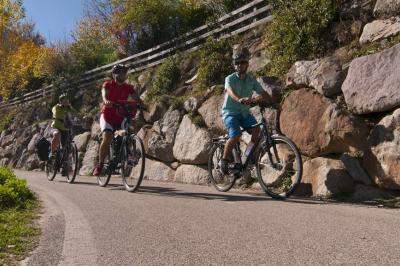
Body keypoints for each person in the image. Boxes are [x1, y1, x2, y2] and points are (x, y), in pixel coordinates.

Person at [219, 47, 271, 175]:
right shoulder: (229, 79)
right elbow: (230, 92)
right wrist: (240, 99)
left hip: (244, 113)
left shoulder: (251, 80)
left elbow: (263, 92)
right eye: (237, 63)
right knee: (236, 135)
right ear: (234, 66)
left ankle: (246, 156)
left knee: (256, 131)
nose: (240, 65)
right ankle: (224, 161)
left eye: (242, 62)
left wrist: (273, 102)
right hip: (230, 113)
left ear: (247, 64)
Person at [93, 64, 141, 176]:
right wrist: (106, 100)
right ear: (115, 74)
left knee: (130, 130)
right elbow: (104, 93)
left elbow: (136, 97)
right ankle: (100, 165)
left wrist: (142, 105)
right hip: (107, 116)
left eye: (125, 72)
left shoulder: (128, 87)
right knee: (108, 136)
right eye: (121, 72)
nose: (124, 74)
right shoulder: (108, 84)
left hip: (120, 116)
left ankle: (128, 154)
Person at [49, 93, 77, 161]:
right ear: (60, 101)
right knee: (57, 134)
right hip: (55, 127)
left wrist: (71, 108)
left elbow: (76, 113)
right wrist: (62, 116)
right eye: (64, 101)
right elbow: (55, 112)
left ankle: (65, 164)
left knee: (66, 146)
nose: (66, 102)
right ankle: (52, 153)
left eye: (67, 101)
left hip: (65, 129)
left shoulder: (69, 108)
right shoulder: (57, 107)